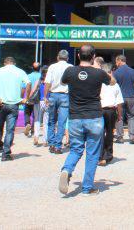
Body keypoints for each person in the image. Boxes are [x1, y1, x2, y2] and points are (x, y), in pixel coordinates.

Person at [58, 44, 108, 196]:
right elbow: (112, 81)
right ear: (93, 57)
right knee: (92, 153)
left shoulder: (70, 71)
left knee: (76, 149)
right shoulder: (99, 73)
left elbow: (63, 82)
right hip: (94, 117)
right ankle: (87, 188)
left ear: (78, 55)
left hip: (75, 117)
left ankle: (67, 169)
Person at [0, 57, 30, 161]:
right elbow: (28, 83)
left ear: (5, 63)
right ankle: (6, 153)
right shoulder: (20, 71)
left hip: (0, 103)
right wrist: (26, 98)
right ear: (14, 63)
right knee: (10, 130)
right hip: (13, 104)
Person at [95, 57, 122, 166]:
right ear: (111, 72)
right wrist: (120, 115)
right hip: (111, 110)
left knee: (100, 133)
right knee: (109, 133)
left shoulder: (98, 83)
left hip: (99, 110)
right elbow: (119, 102)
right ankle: (108, 155)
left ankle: (100, 155)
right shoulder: (115, 84)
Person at [44, 50, 72, 154]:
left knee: (51, 120)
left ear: (57, 57)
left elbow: (47, 82)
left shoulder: (52, 67)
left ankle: (51, 143)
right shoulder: (70, 67)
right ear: (67, 58)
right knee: (62, 122)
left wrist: (46, 96)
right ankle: (58, 146)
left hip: (53, 95)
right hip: (65, 95)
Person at [112, 55, 134, 144]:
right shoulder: (133, 71)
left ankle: (120, 137)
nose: (116, 64)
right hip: (131, 97)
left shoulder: (116, 73)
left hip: (119, 98)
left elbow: (113, 85)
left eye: (116, 62)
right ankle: (132, 137)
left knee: (119, 117)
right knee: (131, 116)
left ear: (120, 61)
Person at [24, 62, 42, 137]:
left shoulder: (28, 76)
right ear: (40, 68)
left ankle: (27, 123)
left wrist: (23, 96)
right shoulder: (41, 76)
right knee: (36, 115)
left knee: (27, 112)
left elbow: (24, 87)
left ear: (32, 68)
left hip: (29, 97)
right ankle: (33, 130)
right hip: (38, 98)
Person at [32, 66, 49, 146]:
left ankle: (36, 136)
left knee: (37, 120)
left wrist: (28, 98)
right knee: (46, 122)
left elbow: (33, 90)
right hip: (47, 102)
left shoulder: (39, 81)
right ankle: (45, 140)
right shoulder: (50, 81)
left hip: (38, 102)